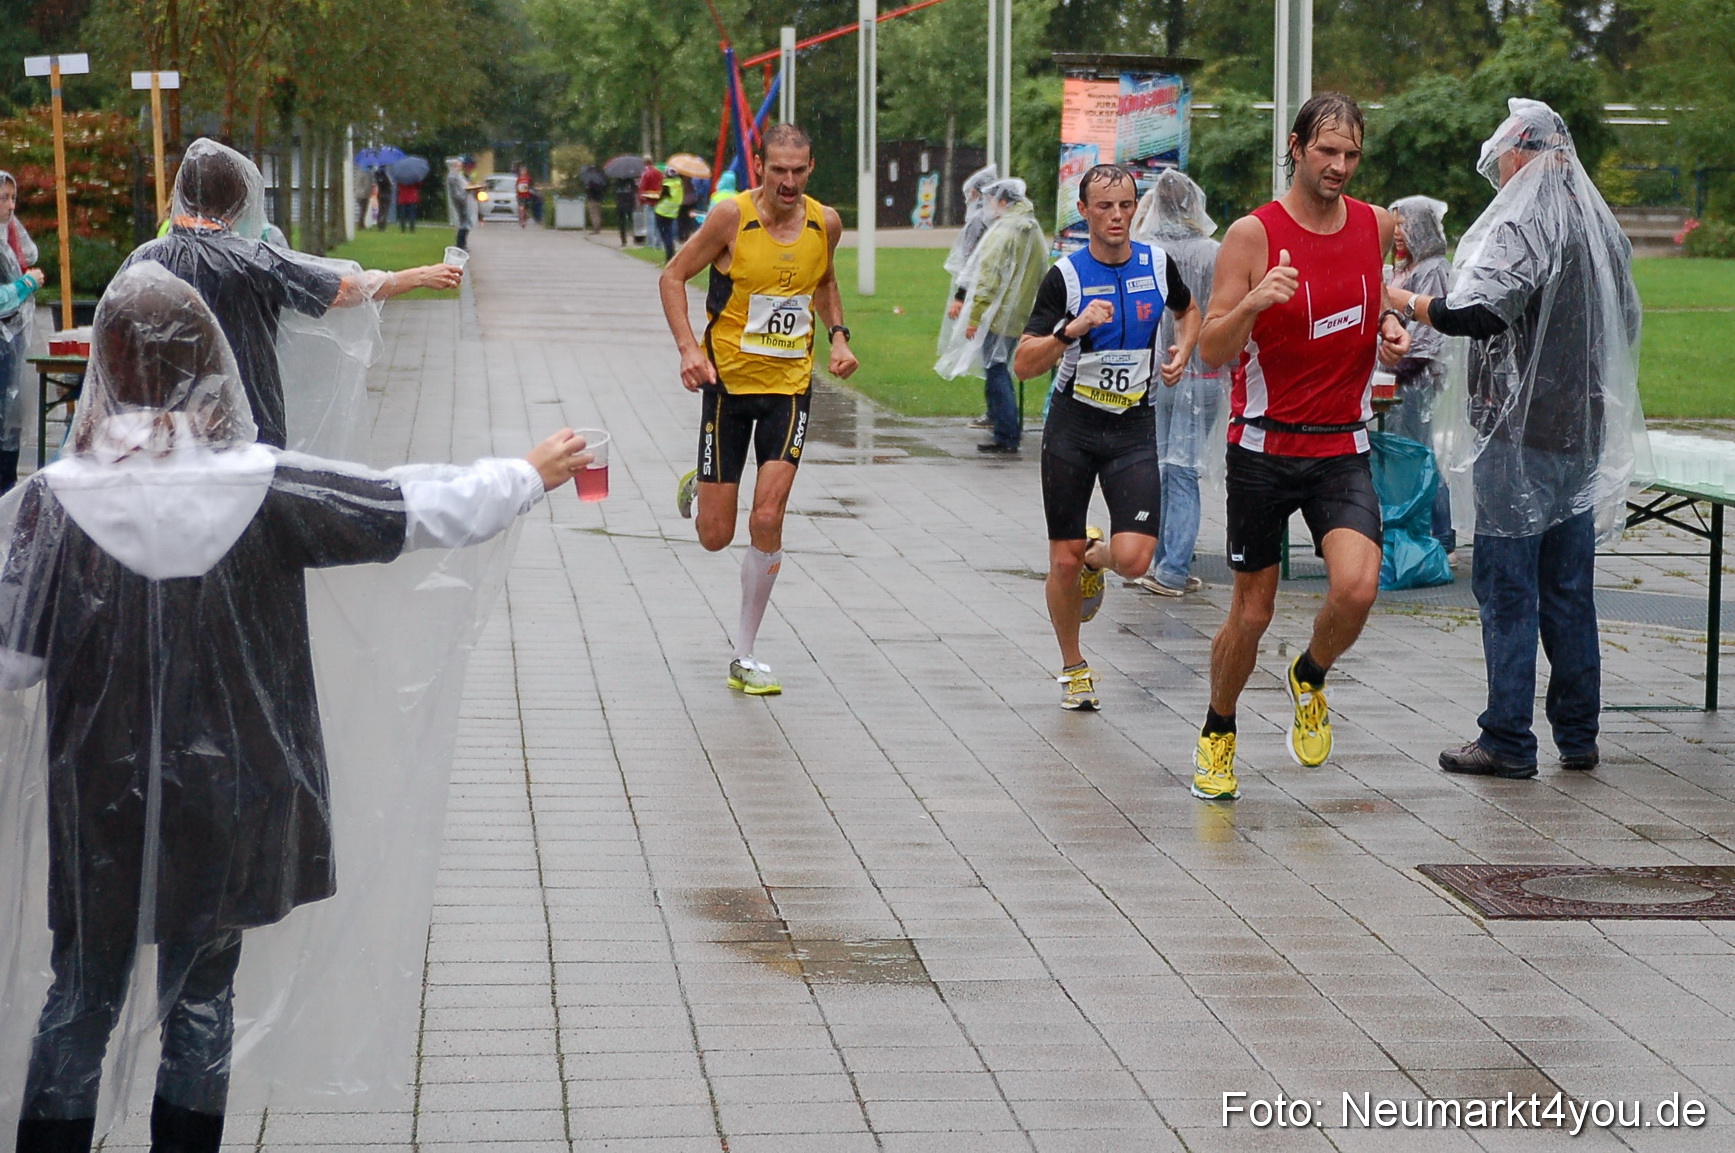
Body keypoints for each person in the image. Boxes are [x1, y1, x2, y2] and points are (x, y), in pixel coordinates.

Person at [0, 262, 592, 1153]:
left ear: (105, 366)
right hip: (232, 798)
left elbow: (13, 658)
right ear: (211, 361)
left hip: (99, 803)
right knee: (203, 1000)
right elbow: (407, 505)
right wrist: (523, 473)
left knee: (80, 996)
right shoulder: (263, 487)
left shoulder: (53, 502)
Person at [1385, 98, 1644, 780]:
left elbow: (1477, 311)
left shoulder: (1525, 223)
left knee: (1507, 588)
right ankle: (1578, 734)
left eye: (1502, 157)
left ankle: (1506, 737)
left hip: (1516, 435)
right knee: (1568, 588)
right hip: (1578, 432)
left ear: (1525, 152)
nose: (1498, 171)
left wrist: (1404, 302)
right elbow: (1624, 322)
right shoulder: (1599, 225)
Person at [1192, 93, 1410, 801]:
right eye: (1326, 151)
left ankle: (1309, 673)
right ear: (1295, 147)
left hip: (1341, 445)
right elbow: (1209, 349)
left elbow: (1368, 296)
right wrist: (1255, 302)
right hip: (1263, 446)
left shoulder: (1378, 225)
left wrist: (1387, 328)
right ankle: (1219, 728)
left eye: (1351, 154)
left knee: (1358, 587)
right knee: (1252, 613)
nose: (1338, 166)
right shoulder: (1252, 235)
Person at [658, 123, 858, 696]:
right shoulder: (731, 217)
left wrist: (838, 336)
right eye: (778, 171)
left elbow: (825, 281)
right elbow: (673, 277)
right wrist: (689, 350)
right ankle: (703, 484)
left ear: (811, 168)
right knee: (714, 536)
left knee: (767, 519)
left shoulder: (826, 223)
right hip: (727, 387)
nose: (788, 182)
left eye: (798, 171)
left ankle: (744, 654)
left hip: (789, 389)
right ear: (760, 167)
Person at [121, 139, 463, 449]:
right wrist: (418, 276)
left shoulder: (144, 259)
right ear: (237, 199)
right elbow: (344, 290)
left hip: (161, 424)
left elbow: (116, 332)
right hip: (247, 418)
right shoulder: (253, 260)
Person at [1011, 163, 1202, 711]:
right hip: (1073, 427)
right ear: (1084, 212)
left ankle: (1098, 559)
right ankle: (1074, 667)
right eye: (1104, 207)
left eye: (1125, 206)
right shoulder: (1066, 277)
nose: (1116, 217)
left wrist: (1183, 350)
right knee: (1062, 560)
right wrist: (1069, 330)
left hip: (1133, 427)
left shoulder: (1156, 264)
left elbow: (1189, 311)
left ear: (1135, 208)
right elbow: (1024, 363)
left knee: (1136, 560)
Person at [1130, 168, 1224, 597]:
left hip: (1153, 373)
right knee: (1183, 469)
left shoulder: (1144, 251)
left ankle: (1164, 561)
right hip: (1204, 373)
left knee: (1159, 466)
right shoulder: (1212, 253)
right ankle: (1172, 565)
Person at [933, 177, 1047, 454]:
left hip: (1001, 312)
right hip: (1022, 309)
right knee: (1000, 365)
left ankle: (1006, 431)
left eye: (992, 200)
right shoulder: (1031, 228)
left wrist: (975, 316)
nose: (988, 206)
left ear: (1004, 202)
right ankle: (1003, 425)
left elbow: (987, 276)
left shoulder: (1004, 232)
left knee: (995, 368)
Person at [1384, 194, 1454, 553]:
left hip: (1416, 378)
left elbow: (1430, 332)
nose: (1398, 232)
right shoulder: (1403, 269)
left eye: (1405, 224)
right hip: (1397, 376)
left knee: (1421, 454)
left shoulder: (1433, 269)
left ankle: (1441, 536)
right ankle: (1412, 531)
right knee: (1405, 455)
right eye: (1395, 224)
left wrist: (1398, 370)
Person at [938, 163, 997, 429]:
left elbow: (970, 263)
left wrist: (960, 297)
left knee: (992, 357)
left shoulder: (978, 222)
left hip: (981, 295)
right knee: (995, 355)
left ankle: (998, 415)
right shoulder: (998, 219)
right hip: (996, 293)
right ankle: (998, 413)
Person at [0, 172, 44, 494]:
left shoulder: (8, 238)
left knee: (10, 420)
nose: (11, 206)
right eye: (3, 198)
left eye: (13, 198)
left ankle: (7, 490)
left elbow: (29, 254)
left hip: (11, 345)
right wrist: (26, 284)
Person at [446, 157, 477, 250]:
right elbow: (457, 192)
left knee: (466, 222)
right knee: (464, 223)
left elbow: (464, 186)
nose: (460, 167)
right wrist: (466, 192)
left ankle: (462, 243)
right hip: (461, 202)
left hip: (464, 200)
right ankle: (461, 244)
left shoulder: (458, 176)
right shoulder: (453, 177)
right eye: (458, 166)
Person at [654, 167, 683, 263]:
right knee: (669, 233)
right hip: (672, 213)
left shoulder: (667, 185)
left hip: (661, 212)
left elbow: (660, 197)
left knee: (665, 235)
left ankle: (669, 256)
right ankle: (671, 255)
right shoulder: (679, 183)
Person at [637, 158, 663, 245]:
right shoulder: (659, 173)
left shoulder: (645, 173)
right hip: (658, 200)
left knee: (650, 224)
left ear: (644, 163)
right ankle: (659, 243)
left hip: (648, 201)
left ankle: (650, 244)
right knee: (658, 224)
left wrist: (640, 201)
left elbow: (642, 188)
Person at [582, 165, 608, 234]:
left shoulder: (590, 182)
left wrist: (587, 188)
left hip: (592, 199)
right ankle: (598, 228)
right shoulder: (600, 180)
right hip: (599, 198)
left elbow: (589, 191)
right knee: (598, 213)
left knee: (594, 214)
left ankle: (595, 229)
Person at [614, 173, 639, 247]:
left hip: (620, 203)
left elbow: (616, 192)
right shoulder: (631, 181)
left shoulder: (617, 181)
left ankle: (623, 240)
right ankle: (635, 237)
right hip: (629, 203)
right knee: (632, 221)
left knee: (622, 223)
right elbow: (635, 190)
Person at [515, 164, 533, 229]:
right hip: (520, 196)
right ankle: (522, 221)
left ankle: (524, 219)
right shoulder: (519, 179)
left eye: (524, 171)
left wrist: (529, 189)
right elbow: (516, 186)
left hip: (527, 196)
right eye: (522, 171)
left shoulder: (528, 179)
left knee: (526, 210)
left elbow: (531, 186)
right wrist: (517, 191)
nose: (523, 172)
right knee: (521, 208)